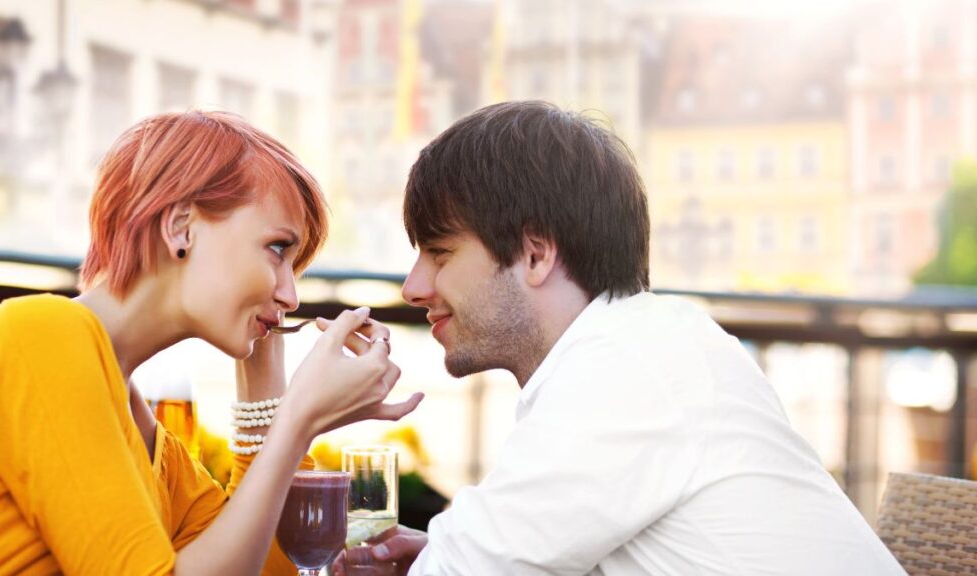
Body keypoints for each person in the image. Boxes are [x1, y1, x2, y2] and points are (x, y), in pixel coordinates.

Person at [340, 101, 905, 575]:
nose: (414, 286)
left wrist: (311, 413)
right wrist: (436, 553)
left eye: (440, 253)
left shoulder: (624, 368)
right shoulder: (643, 346)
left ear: (535, 254)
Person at [0, 110, 423, 575]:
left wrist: (267, 385)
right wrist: (298, 419)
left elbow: (268, 568)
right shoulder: (37, 337)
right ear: (181, 226)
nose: (290, 294)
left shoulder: (155, 447)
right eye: (278, 249)